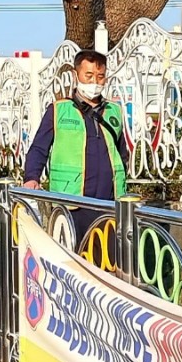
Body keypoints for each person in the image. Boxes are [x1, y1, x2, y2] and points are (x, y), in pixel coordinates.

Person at [23, 49, 129, 236]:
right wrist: (32, 177)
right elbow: (39, 148)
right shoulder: (58, 110)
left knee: (107, 259)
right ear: (76, 75)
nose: (94, 82)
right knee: (73, 257)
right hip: (72, 200)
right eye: (88, 75)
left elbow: (121, 152)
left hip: (109, 202)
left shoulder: (115, 110)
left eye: (100, 76)